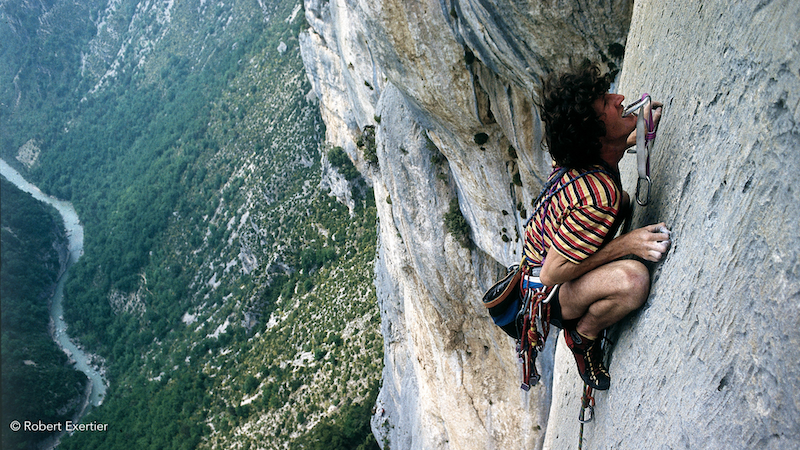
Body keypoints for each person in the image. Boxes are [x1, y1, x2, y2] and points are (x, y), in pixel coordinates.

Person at [522, 61, 672, 390]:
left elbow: (606, 149)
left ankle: (594, 286)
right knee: (633, 281)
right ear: (594, 132)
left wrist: (633, 136)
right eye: (606, 102)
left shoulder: (578, 157)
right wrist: (627, 245)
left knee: (623, 202)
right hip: (548, 292)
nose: (620, 99)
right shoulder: (597, 195)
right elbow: (551, 274)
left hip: (540, 267)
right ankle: (583, 335)